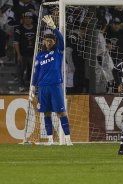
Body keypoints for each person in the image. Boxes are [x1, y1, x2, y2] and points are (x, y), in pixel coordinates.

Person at [29, 15, 72, 146]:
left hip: (55, 86)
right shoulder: (39, 56)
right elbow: (36, 73)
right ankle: (50, 140)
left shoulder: (58, 51)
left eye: (51, 41)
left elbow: (62, 40)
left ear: (54, 42)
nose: (49, 42)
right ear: (44, 42)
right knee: (46, 113)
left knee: (61, 112)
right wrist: (32, 87)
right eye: (47, 40)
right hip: (42, 87)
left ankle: (68, 139)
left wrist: (54, 27)